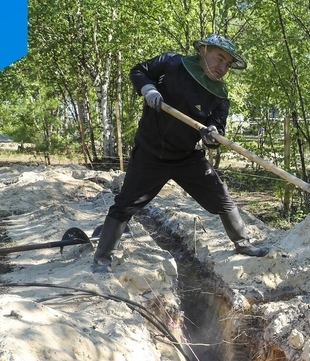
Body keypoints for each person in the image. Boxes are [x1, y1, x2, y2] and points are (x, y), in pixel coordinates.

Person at [93, 34, 267, 273]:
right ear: (203, 50)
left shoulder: (219, 96)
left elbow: (217, 129)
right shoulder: (171, 63)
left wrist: (212, 134)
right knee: (125, 205)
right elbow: (139, 70)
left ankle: (243, 244)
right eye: (219, 58)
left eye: (227, 64)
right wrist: (148, 88)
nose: (222, 67)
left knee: (222, 198)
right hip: (150, 154)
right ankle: (102, 260)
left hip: (187, 157)